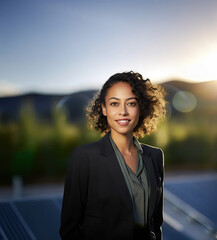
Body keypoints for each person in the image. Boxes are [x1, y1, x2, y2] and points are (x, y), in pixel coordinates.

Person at [60, 71, 166, 240]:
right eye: (114, 103)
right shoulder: (85, 157)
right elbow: (70, 229)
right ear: (104, 108)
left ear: (141, 108)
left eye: (131, 103)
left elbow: (156, 222)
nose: (123, 111)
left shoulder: (155, 156)